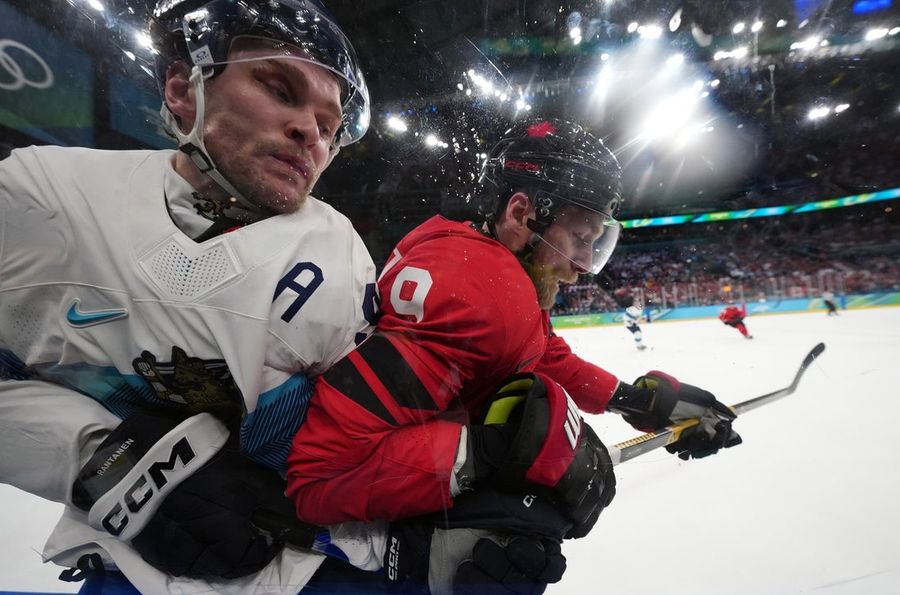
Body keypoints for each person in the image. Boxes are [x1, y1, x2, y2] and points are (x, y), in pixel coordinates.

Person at [1, 1, 557, 593]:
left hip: (311, 570)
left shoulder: (337, 252)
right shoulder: (37, 196)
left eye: (330, 122)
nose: (311, 132)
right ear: (184, 90)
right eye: (279, 88)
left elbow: (357, 446)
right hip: (131, 571)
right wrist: (101, 457)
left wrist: (468, 489)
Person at [286, 119, 744, 538]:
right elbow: (322, 477)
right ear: (523, 213)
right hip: (362, 546)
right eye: (580, 239)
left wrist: (632, 399)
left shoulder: (472, 250)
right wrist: (491, 452)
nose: (585, 265)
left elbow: (537, 348)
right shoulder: (483, 297)